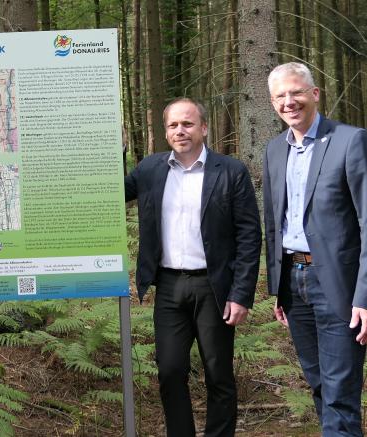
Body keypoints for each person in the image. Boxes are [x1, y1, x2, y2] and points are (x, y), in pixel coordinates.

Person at [262, 62, 367, 436]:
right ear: (273, 103)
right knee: (319, 383)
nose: (290, 102)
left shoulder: (351, 141)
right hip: (295, 283)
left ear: (315, 94)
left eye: (296, 92)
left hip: (340, 285)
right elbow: (276, 225)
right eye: (281, 96)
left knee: (340, 393)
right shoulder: (274, 150)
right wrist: (280, 288)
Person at [124, 98, 261, 437]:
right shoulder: (150, 169)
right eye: (173, 125)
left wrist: (241, 293)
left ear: (203, 128)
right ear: (166, 131)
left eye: (187, 124)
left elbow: (249, 235)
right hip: (169, 287)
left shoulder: (230, 171)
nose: (180, 131)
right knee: (169, 370)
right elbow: (110, 192)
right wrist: (113, 149)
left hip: (214, 288)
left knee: (218, 372)